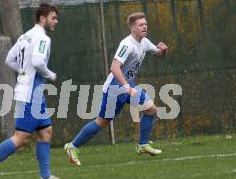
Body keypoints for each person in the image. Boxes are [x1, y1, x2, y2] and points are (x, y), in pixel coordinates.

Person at [0, 3, 69, 179]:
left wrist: (24, 72)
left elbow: (9, 59)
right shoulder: (42, 38)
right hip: (30, 94)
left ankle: (46, 177)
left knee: (46, 132)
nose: (56, 21)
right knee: (20, 138)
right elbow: (37, 61)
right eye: (53, 17)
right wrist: (49, 75)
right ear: (42, 19)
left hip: (31, 92)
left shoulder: (26, 36)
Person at [64, 12, 169, 166]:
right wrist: (126, 86)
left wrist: (163, 50)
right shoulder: (127, 44)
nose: (145, 26)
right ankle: (72, 146)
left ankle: (143, 145)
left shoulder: (144, 42)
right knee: (101, 122)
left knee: (151, 110)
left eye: (145, 24)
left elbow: (159, 54)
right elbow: (114, 67)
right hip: (115, 88)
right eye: (141, 24)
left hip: (128, 87)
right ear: (132, 28)